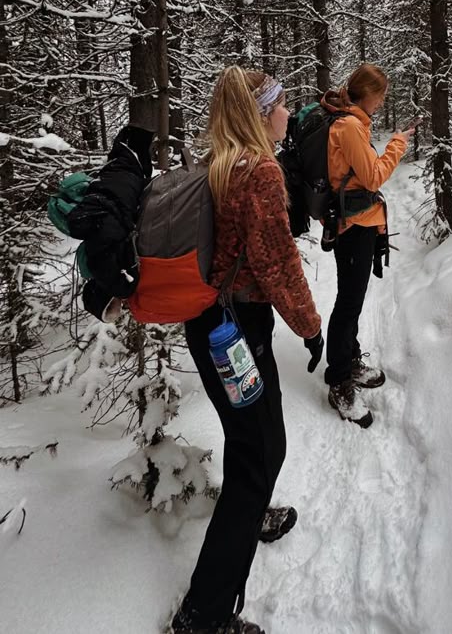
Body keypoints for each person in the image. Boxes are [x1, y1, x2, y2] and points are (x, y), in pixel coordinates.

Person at [171, 67, 324, 634]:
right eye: (283, 104)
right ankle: (203, 616)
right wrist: (310, 326)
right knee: (260, 455)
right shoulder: (258, 171)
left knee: (256, 442)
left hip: (211, 325)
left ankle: (250, 509)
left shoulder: (217, 164)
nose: (290, 112)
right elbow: (277, 264)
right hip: (238, 331)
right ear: (263, 113)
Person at [321, 64, 414, 428]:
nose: (383, 101)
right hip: (354, 226)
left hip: (359, 223)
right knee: (348, 302)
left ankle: (350, 359)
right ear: (367, 94)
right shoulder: (349, 127)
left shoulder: (352, 122)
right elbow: (374, 174)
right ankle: (339, 380)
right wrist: (397, 145)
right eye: (381, 95)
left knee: (353, 300)